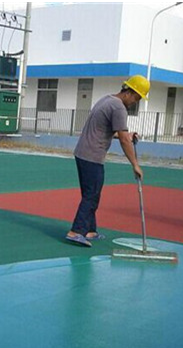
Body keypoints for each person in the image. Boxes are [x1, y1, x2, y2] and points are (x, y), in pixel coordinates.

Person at [65, 75, 148, 247]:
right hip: (92, 156)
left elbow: (108, 130)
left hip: (83, 152)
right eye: (136, 98)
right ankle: (76, 231)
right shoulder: (119, 108)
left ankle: (89, 230)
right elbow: (124, 140)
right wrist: (135, 164)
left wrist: (127, 134)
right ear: (128, 92)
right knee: (91, 194)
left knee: (91, 194)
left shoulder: (108, 99)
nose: (135, 102)